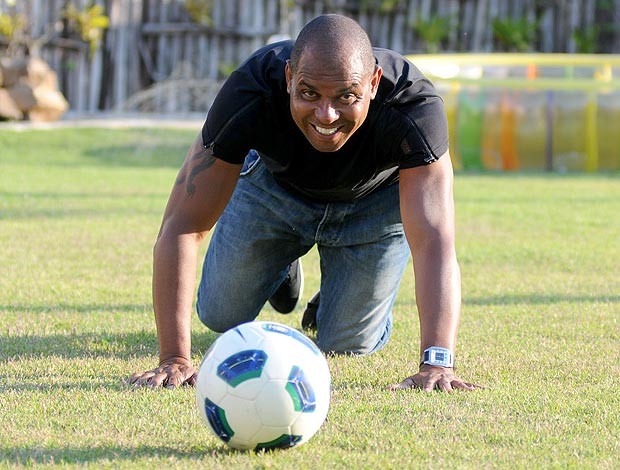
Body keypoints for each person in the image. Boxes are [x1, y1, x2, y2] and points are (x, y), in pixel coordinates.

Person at [129, 14, 481, 392]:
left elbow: (434, 241)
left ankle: (335, 296)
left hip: (372, 206)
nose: (326, 115)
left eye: (346, 96)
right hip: (272, 192)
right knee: (219, 314)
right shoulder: (251, 91)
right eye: (309, 93)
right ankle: (281, 266)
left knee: (347, 345)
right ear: (288, 78)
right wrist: (174, 358)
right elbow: (182, 226)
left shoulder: (414, 106)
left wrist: (436, 362)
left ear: (374, 83)